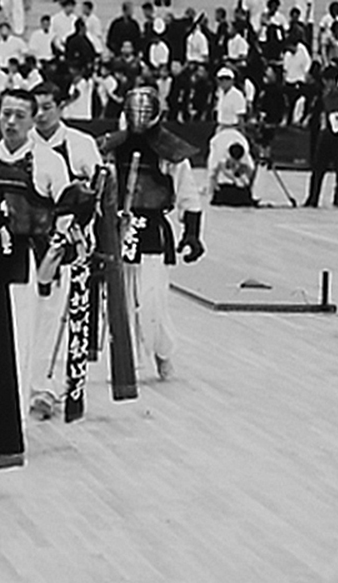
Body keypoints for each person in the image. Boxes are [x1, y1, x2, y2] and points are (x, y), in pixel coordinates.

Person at [0, 89, 71, 461]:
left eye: (19, 115)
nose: (10, 121)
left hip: (27, 259)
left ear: (33, 120)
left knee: (21, 340)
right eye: (5, 113)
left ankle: (14, 421)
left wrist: (58, 255)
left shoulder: (49, 162)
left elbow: (68, 212)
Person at [98, 86, 205, 380]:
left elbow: (188, 195)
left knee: (151, 300)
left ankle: (163, 351)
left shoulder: (170, 154)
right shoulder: (110, 149)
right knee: (119, 302)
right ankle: (125, 363)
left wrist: (192, 233)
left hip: (152, 233)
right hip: (116, 230)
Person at [25, 81, 101, 418]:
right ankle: (29, 383)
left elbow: (98, 196)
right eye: (35, 108)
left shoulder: (81, 145)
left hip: (69, 246)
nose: (40, 115)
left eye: (47, 107)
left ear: (61, 107)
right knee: (32, 316)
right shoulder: (22, 146)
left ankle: (46, 389)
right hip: (30, 243)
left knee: (57, 317)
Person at [304, 66, 338, 208]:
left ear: (334, 81)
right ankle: (312, 199)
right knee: (318, 169)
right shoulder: (323, 96)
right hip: (326, 134)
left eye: (329, 81)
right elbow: (318, 113)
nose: (327, 84)